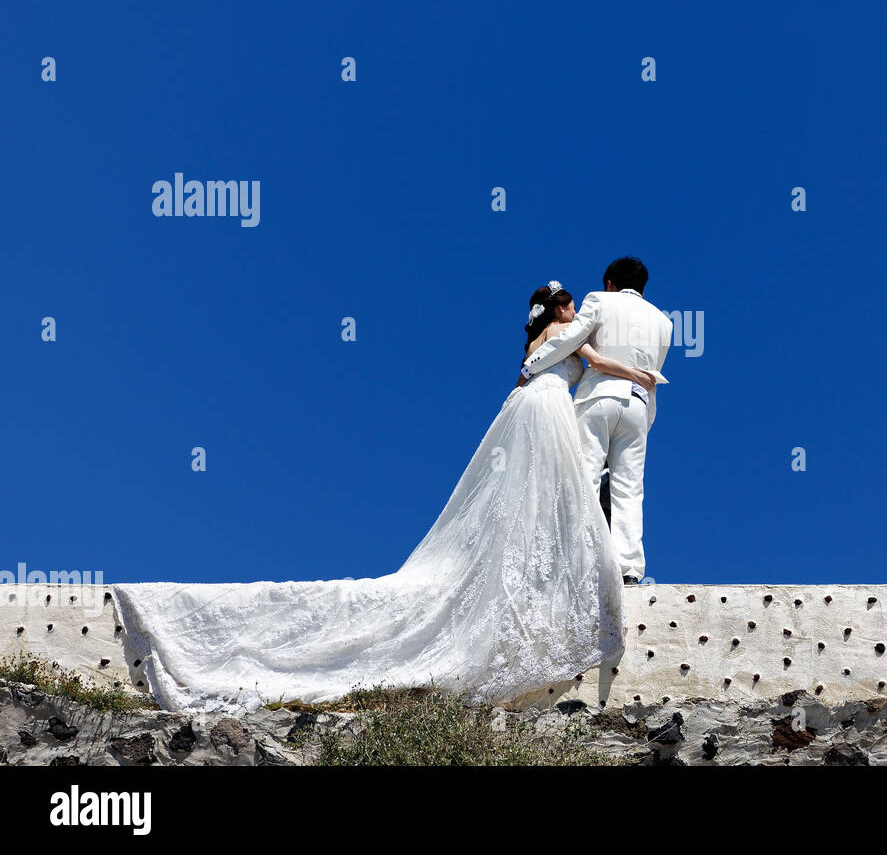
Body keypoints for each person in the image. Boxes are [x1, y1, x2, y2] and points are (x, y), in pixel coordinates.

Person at [111, 280, 639, 714]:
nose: (574, 305)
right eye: (568, 300)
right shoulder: (565, 330)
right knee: (556, 489)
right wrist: (640, 372)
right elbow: (595, 357)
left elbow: (551, 362)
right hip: (546, 410)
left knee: (528, 494)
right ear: (557, 308)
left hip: (529, 406)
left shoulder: (541, 339)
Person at [520, 258, 674, 585]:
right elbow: (652, 371)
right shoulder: (664, 322)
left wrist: (530, 367)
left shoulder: (599, 299)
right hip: (638, 404)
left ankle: (576, 560)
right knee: (629, 488)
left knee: (586, 477)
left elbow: (570, 338)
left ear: (609, 283)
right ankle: (629, 570)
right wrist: (644, 420)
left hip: (598, 398)